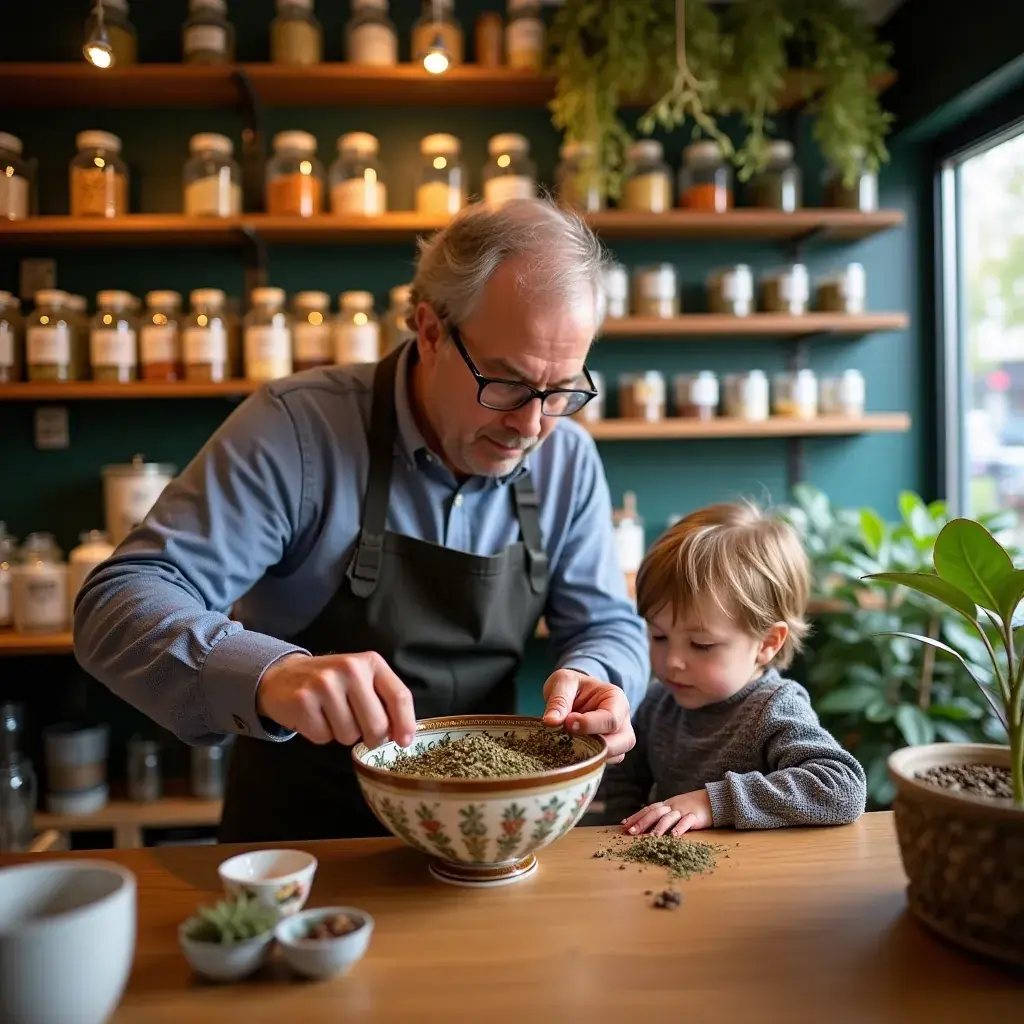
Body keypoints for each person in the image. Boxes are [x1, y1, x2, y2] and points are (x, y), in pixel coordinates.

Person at [74, 198, 649, 842]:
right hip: (306, 843)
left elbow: (605, 621)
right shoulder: (296, 430)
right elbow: (115, 604)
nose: (531, 425)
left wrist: (602, 677)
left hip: (482, 843)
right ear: (429, 330)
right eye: (507, 384)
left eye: (562, 390)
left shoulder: (566, 458)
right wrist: (268, 673)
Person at [602, 502, 866, 836]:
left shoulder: (773, 708)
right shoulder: (658, 702)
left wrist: (713, 804)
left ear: (767, 643)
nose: (671, 661)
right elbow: (624, 780)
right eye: (658, 636)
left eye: (701, 645)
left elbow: (842, 788)